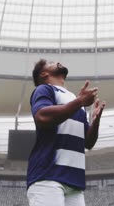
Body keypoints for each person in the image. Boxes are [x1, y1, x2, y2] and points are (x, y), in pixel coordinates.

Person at [27, 59, 106, 206]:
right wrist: (80, 102)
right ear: (44, 74)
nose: (56, 61)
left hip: (74, 181)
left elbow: (88, 143)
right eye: (51, 62)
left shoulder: (74, 101)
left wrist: (95, 123)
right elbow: (42, 116)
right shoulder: (45, 89)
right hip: (48, 177)